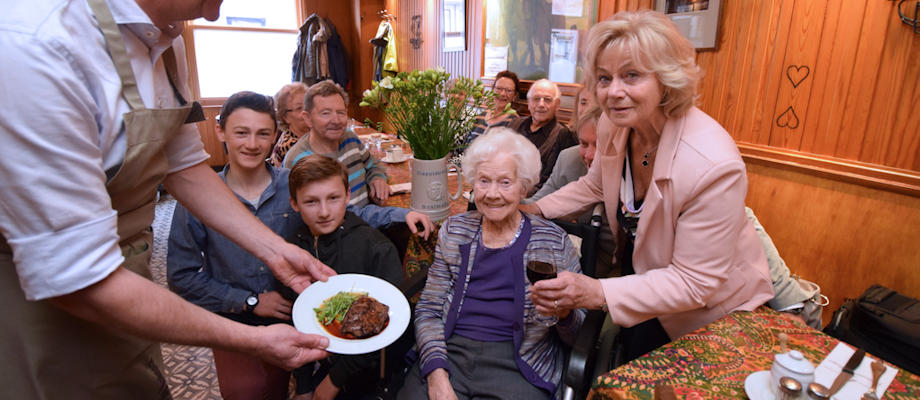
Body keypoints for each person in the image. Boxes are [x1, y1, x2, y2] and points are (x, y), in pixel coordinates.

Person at [0, 1, 334, 398]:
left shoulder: (167, 38)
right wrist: (252, 340)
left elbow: (185, 164)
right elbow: (78, 278)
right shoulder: (34, 43)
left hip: (128, 279)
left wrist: (274, 251)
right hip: (47, 301)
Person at [524, 10, 774, 362]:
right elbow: (594, 186)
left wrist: (596, 290)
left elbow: (693, 282)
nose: (614, 92)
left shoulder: (712, 164)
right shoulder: (615, 125)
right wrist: (534, 208)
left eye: (631, 75)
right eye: (604, 78)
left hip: (706, 314)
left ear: (666, 79)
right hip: (643, 280)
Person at [399, 128, 585, 400]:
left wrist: (565, 314)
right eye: (484, 181)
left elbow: (580, 331)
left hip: (520, 361)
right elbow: (429, 309)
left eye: (505, 182)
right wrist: (437, 374)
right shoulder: (454, 230)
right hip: (451, 350)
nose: (492, 194)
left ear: (524, 186)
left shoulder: (554, 241)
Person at [286, 154, 404, 400]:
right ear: (294, 203)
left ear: (348, 195)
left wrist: (334, 381)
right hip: (317, 361)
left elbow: (387, 327)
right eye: (311, 202)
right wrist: (304, 385)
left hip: (367, 372)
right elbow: (295, 318)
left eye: (333, 198)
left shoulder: (376, 248)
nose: (324, 212)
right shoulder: (293, 249)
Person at [282, 80, 390, 205]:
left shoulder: (350, 138)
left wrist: (377, 178)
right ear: (308, 119)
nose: (336, 120)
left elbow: (373, 165)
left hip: (369, 219)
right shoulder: (296, 160)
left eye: (341, 112)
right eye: (326, 113)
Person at [508, 79, 577, 194]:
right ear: (529, 102)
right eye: (536, 99)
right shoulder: (514, 125)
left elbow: (550, 184)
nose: (541, 104)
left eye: (547, 100)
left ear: (557, 104)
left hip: (533, 200)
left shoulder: (563, 136)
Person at [528, 105, 602, 202]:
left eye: (599, 146)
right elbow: (537, 203)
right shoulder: (568, 159)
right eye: (584, 144)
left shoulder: (627, 173)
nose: (589, 155)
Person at [463, 70, 520, 146]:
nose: (502, 94)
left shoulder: (515, 122)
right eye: (499, 89)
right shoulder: (480, 116)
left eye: (508, 90)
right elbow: (466, 145)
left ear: (515, 96)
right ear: (492, 90)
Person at [270, 82, 311, 166]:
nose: (306, 111)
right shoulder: (291, 146)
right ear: (285, 117)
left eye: (308, 105)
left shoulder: (307, 135)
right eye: (299, 108)